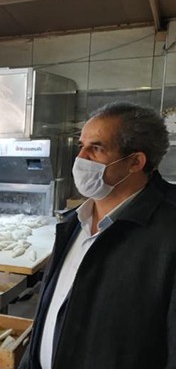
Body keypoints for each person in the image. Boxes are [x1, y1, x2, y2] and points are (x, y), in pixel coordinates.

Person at [19, 102, 176, 369]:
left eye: (96, 148)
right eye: (81, 146)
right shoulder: (74, 223)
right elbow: (49, 314)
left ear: (135, 162)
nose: (81, 158)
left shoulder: (167, 236)